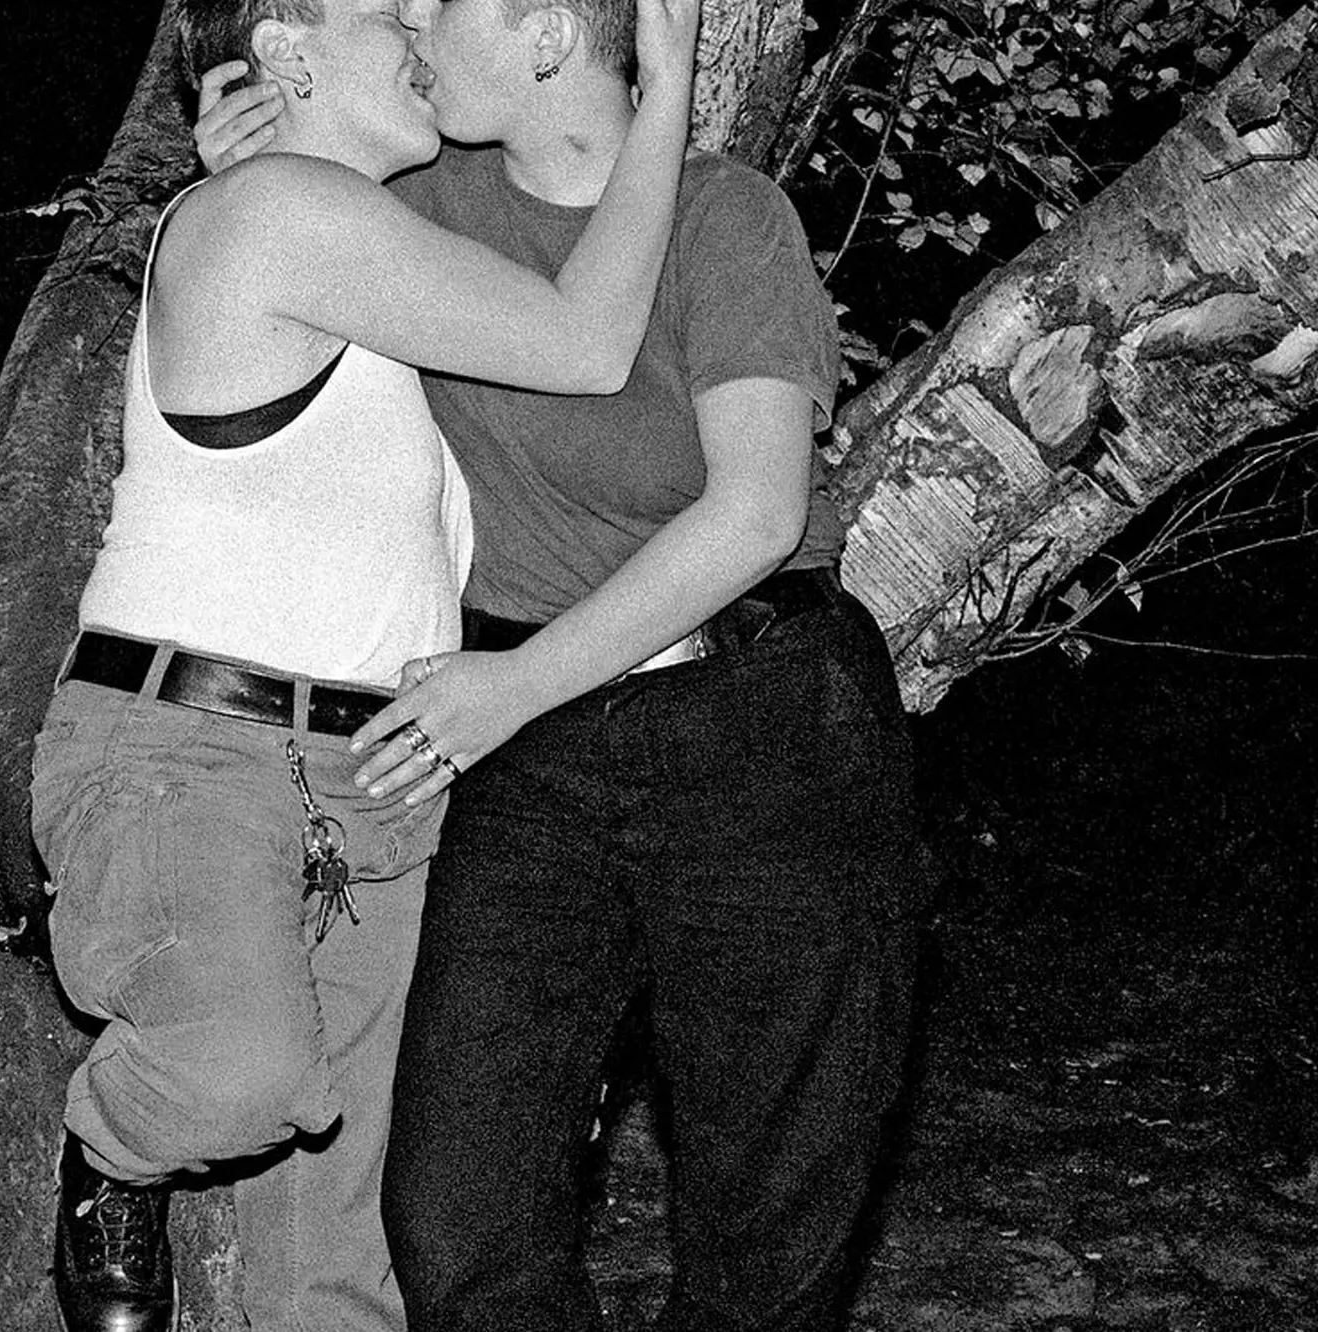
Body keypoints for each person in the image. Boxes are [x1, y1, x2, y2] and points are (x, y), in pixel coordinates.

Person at [196, 1, 936, 1327]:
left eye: (445, 0)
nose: (414, 18)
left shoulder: (727, 215)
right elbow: (266, 264)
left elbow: (757, 513)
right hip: (527, 762)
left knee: (768, 1232)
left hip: (753, 727)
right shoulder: (416, 204)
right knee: (455, 1215)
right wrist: (247, 154)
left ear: (545, 37)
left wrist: (520, 684)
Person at [35, 1, 699, 1329]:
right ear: (287, 52)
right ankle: (111, 1149)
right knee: (240, 1071)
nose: (425, 25)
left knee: (347, 1249)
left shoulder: (385, 253)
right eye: (389, 7)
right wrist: (669, 85)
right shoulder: (275, 209)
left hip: (383, 777)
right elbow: (585, 343)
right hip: (190, 748)